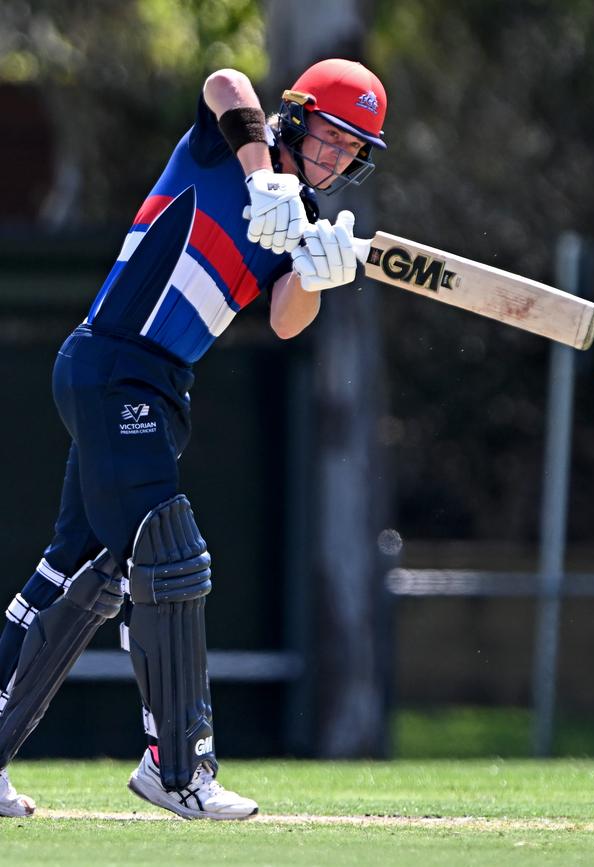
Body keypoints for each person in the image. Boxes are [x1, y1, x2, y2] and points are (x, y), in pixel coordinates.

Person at [0, 57, 387, 820]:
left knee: (79, 572)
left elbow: (283, 319)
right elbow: (223, 80)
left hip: (159, 384)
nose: (337, 158)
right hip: (114, 362)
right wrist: (260, 177)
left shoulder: (300, 216)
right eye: (333, 138)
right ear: (299, 115)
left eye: (354, 151)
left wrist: (318, 269)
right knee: (170, 555)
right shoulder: (227, 146)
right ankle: (178, 768)